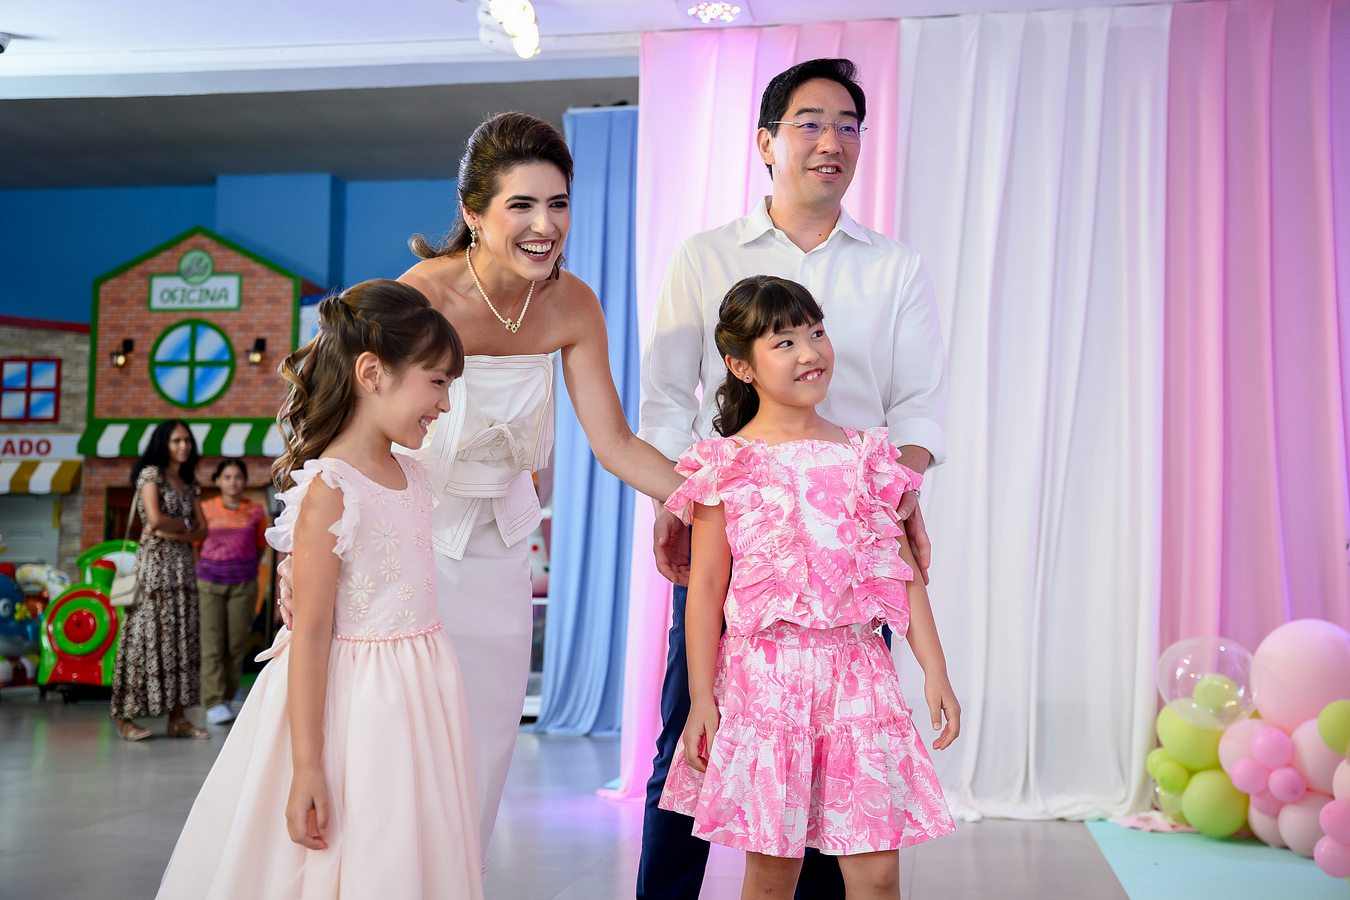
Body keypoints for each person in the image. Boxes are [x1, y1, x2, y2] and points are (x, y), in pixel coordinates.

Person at [274, 111, 684, 872]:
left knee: (480, 761)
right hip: (408, 551)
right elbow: (344, 430)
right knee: (401, 764)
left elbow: (617, 445)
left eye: (558, 204)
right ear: (472, 212)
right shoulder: (420, 298)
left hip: (500, 556)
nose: (544, 226)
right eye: (521, 205)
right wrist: (302, 554)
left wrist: (715, 499)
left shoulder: (572, 304)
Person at [638, 59, 949, 898]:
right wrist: (678, 501)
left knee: (840, 763)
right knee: (692, 738)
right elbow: (665, 401)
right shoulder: (705, 256)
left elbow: (918, 406)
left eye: (848, 125)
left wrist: (898, 494)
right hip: (744, 538)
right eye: (810, 123)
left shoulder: (895, 267)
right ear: (766, 142)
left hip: (849, 559)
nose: (831, 141)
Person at [157, 280, 483, 899]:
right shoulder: (331, 488)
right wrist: (308, 765)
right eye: (438, 382)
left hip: (417, 694)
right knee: (357, 844)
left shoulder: (413, 474)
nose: (445, 403)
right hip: (353, 702)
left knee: (407, 844)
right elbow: (308, 634)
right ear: (372, 373)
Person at [659, 275, 958, 899]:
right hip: (765, 684)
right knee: (772, 874)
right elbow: (705, 592)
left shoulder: (868, 457)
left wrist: (935, 670)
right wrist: (703, 698)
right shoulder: (726, 464)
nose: (809, 352)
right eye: (785, 342)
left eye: (816, 332)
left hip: (859, 678)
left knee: (877, 873)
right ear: (741, 366)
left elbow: (901, 573)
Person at [112, 419, 210, 742]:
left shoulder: (188, 482)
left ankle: (178, 719)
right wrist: (183, 526)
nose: (184, 446)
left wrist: (173, 528)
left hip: (182, 569)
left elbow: (203, 530)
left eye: (187, 440)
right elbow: (154, 519)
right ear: (163, 444)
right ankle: (124, 718)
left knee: (181, 638)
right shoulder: (150, 475)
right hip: (154, 568)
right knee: (145, 637)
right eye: (176, 440)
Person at [196, 458, 269, 726]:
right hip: (209, 584)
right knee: (212, 643)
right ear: (217, 481)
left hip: (243, 584)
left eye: (238, 477)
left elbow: (260, 546)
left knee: (236, 644)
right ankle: (213, 700)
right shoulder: (205, 508)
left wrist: (240, 566)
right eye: (227, 477)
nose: (233, 482)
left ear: (244, 481)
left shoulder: (255, 511)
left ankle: (227, 694)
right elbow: (196, 544)